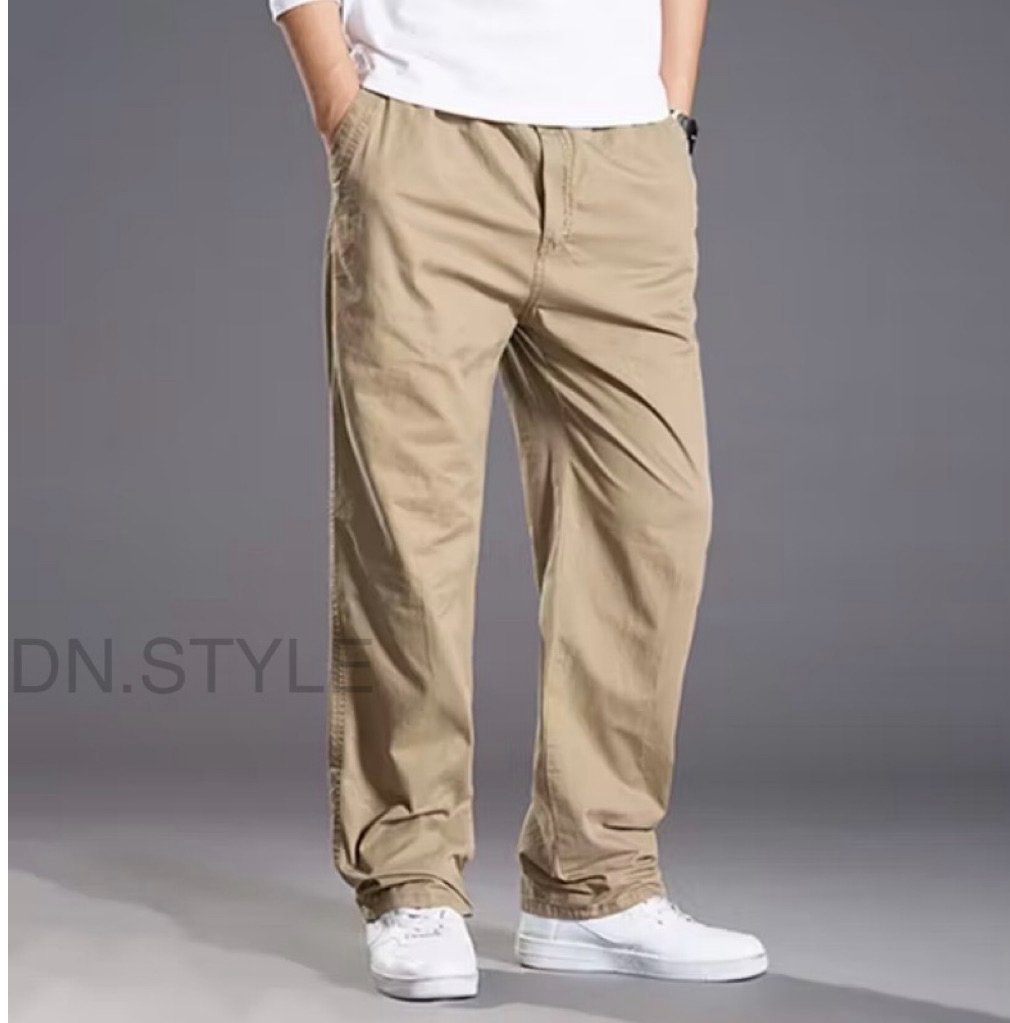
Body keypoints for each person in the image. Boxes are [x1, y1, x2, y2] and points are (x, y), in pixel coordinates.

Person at [272, 0, 766, 1000]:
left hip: (627, 156)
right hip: (425, 137)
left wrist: (670, 107)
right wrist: (343, 106)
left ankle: (595, 883)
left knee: (652, 522)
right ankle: (412, 880)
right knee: (410, 530)